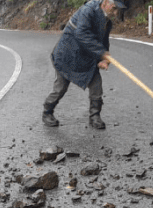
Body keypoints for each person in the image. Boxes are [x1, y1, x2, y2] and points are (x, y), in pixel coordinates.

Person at [43, 0, 126, 130]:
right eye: (114, 8)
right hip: (68, 55)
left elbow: (103, 41)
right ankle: (47, 112)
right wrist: (101, 52)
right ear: (105, 2)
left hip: (87, 57)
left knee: (96, 85)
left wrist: (103, 58)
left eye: (117, 10)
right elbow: (81, 33)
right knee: (60, 88)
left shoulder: (107, 21)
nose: (115, 13)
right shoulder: (88, 11)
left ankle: (95, 116)